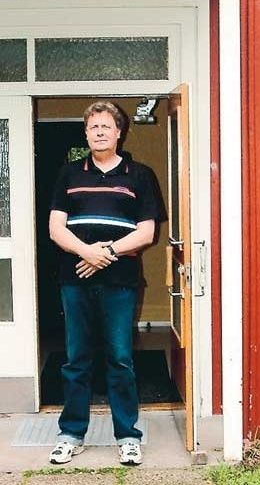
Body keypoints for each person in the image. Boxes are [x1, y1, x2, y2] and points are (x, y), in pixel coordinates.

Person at [47, 101, 165, 465]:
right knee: (76, 360)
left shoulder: (140, 175)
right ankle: (71, 434)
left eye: (106, 127)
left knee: (120, 360)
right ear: (86, 134)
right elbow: (55, 228)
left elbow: (147, 232)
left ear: (119, 132)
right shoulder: (69, 174)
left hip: (121, 282)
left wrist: (107, 252)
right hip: (75, 280)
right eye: (93, 127)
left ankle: (128, 436)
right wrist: (86, 251)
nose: (99, 132)